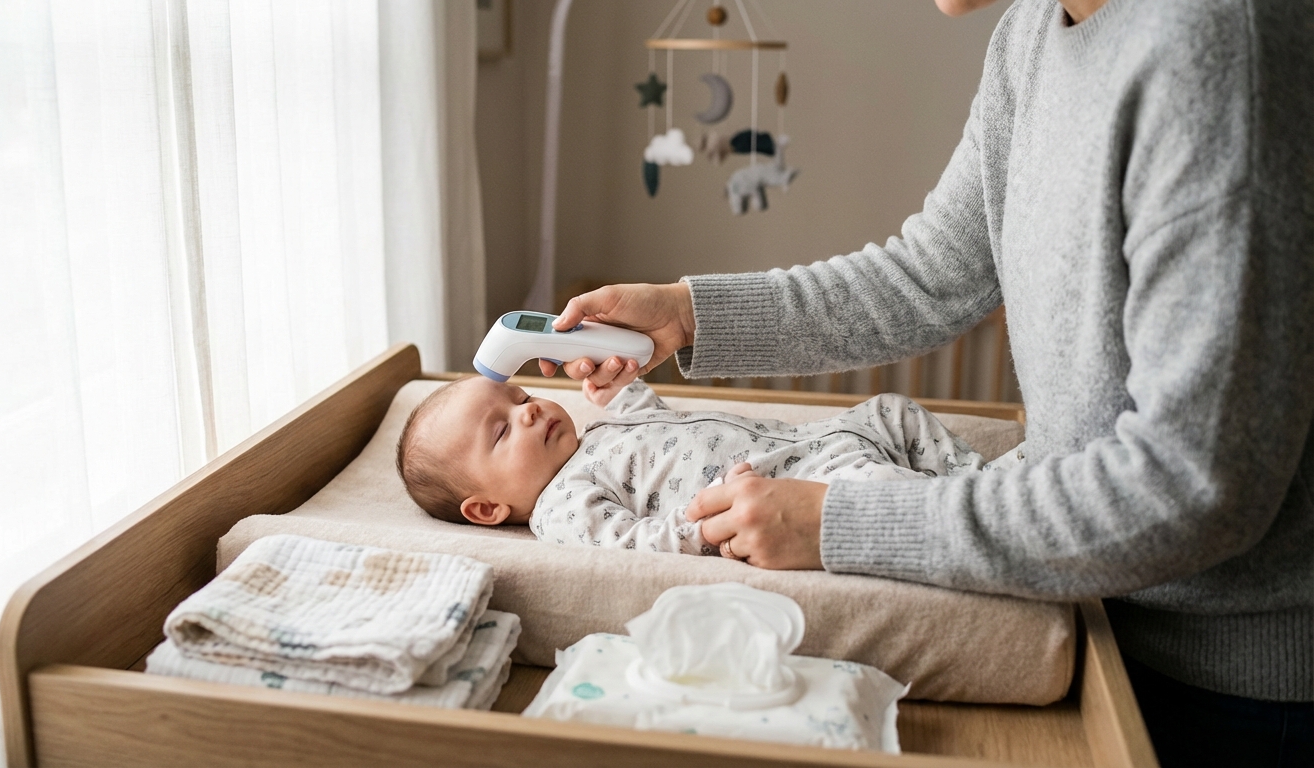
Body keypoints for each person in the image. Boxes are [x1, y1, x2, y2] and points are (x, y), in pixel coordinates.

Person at [537, 0, 1313, 764]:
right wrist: (687, 314)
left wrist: (843, 525)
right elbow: (927, 278)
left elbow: (1193, 486)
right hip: (1089, 608)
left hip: (1235, 686)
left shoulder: (1215, 46)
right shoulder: (1032, 36)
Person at [396, 376, 990, 555]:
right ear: (487, 508)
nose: (528, 414)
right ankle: (975, 515)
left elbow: (651, 413)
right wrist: (712, 524)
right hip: (806, 485)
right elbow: (639, 543)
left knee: (893, 411)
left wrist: (614, 375)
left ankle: (985, 484)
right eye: (501, 431)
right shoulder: (562, 506)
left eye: (522, 399)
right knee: (879, 491)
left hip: (819, 438)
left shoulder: (595, 434)